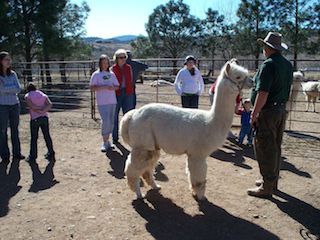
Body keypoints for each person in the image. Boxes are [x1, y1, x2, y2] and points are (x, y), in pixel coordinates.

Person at [248, 32, 293, 198]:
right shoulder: (287, 65)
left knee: (264, 146)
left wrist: (254, 112)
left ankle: (267, 187)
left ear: (267, 48)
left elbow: (263, 92)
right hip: (280, 109)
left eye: (264, 47)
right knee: (275, 145)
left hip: (268, 112)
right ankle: (272, 181)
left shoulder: (268, 65)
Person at [90, 55, 119, 152]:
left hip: (112, 101)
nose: (105, 64)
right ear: (100, 63)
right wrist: (102, 87)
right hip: (102, 102)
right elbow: (92, 88)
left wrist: (112, 88)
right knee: (105, 121)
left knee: (111, 121)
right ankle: (104, 142)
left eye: (107, 62)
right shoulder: (96, 75)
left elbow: (117, 86)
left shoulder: (112, 74)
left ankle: (108, 142)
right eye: (103, 63)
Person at [0, 51, 25, 163]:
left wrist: (7, 88)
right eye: (6, 59)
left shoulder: (13, 74)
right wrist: (10, 89)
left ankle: (17, 153)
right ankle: (5, 155)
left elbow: (18, 88)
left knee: (15, 129)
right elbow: (1, 90)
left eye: (9, 59)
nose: (9, 61)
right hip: (2, 106)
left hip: (14, 104)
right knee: (3, 130)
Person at [25, 83, 55, 162]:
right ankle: (51, 153)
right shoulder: (42, 94)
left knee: (34, 138)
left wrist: (39, 109)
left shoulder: (28, 96)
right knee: (47, 136)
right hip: (44, 117)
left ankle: (33, 156)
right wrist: (43, 110)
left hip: (35, 118)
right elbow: (50, 104)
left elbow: (32, 107)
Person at [111, 49, 134, 143]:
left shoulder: (128, 67)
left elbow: (131, 79)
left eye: (124, 57)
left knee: (128, 116)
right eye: (121, 57)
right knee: (114, 115)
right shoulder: (112, 69)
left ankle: (128, 137)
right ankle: (115, 137)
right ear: (116, 59)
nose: (123, 59)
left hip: (128, 93)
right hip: (116, 93)